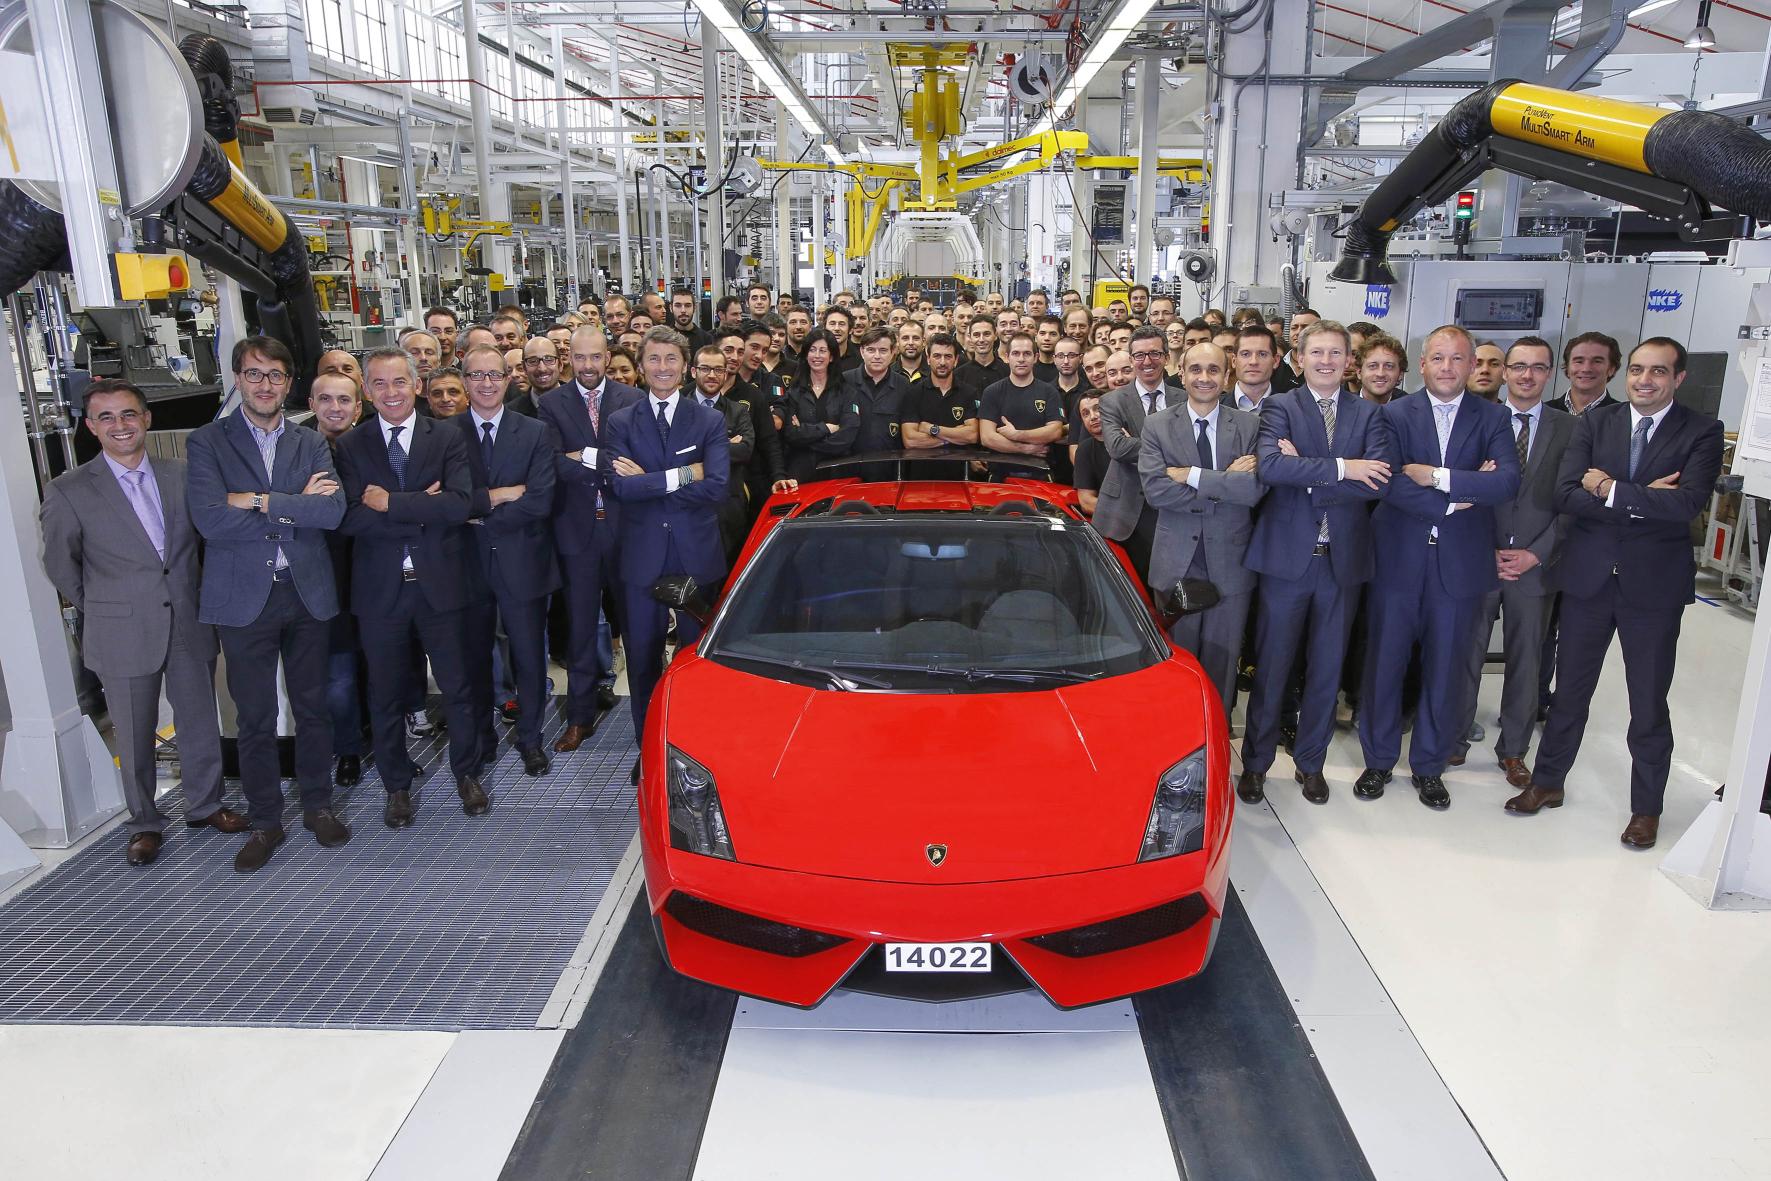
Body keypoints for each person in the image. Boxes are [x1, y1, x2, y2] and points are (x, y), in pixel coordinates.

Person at [1512, 337, 1724, 849]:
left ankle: (1646, 810)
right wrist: (1648, 497)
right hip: (1588, 580)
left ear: (1677, 378)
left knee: (1647, 702)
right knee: (1569, 693)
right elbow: (1565, 494)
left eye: (1657, 372)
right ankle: (1547, 782)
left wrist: (1607, 488)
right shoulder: (1595, 423)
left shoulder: (1702, 431)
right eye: (1637, 371)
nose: (1644, 381)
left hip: (1652, 589)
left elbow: (1687, 504)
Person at [39, 379, 242, 866]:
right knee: (133, 732)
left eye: (128, 414)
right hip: (120, 628)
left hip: (187, 619)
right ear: (90, 427)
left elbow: (204, 541)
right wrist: (107, 604)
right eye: (106, 418)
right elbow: (60, 565)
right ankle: (146, 822)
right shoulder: (68, 491)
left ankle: (206, 804)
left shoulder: (182, 475)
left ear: (146, 418)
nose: (119, 425)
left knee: (198, 720)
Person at [185, 336, 349, 872]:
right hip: (242, 598)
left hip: (306, 591)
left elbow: (331, 514)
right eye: (254, 375)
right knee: (254, 717)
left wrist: (255, 500)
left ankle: (318, 806)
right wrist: (296, 503)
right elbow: (210, 518)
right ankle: (265, 819)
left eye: (275, 375)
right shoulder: (208, 442)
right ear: (237, 379)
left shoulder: (309, 442)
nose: (265, 384)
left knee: (313, 709)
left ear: (288, 382)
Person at [1357, 325, 1520, 811]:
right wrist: (1458, 498)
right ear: (1422, 365)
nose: (1447, 368)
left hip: (1460, 565)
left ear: (1473, 366)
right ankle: (1379, 759)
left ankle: (1429, 766)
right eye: (1438, 358)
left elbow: (1507, 482)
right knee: (1385, 664)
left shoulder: (1493, 418)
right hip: (1398, 559)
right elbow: (1387, 481)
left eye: (1457, 359)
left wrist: (1440, 477)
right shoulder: (1391, 415)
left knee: (1446, 668)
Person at [1240, 320, 1392, 806]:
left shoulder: (1368, 415)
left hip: (1341, 564)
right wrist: (1345, 468)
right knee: (1273, 668)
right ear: (1298, 359)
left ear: (1349, 360)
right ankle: (1257, 764)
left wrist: (1304, 469)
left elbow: (1381, 482)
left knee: (1327, 669)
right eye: (1317, 352)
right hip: (1287, 562)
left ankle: (1311, 763)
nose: (1327, 361)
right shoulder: (1279, 408)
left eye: (1336, 353)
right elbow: (1272, 467)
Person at [334, 346, 487, 828]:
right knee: (384, 695)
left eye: (399, 382)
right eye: (378, 384)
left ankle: (467, 773)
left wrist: (391, 504)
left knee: (459, 687)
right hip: (381, 592)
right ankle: (396, 786)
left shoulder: (447, 437)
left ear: (416, 385)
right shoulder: (351, 446)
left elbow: (460, 505)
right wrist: (421, 504)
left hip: (441, 585)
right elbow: (350, 517)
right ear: (366, 391)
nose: (390, 392)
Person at [604, 327, 731, 774]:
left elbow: (716, 486)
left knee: (695, 662)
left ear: (686, 366)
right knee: (642, 658)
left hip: (695, 554)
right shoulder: (620, 421)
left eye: (671, 359)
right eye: (653, 359)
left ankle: (694, 748)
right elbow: (619, 487)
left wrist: (649, 480)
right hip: (641, 555)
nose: (662, 368)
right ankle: (650, 751)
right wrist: (682, 474)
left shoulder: (708, 421)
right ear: (641, 367)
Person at [1449, 336, 1573, 782]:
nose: (1527, 375)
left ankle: (1515, 749)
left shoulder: (1571, 429)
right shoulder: (1477, 420)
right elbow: (1458, 484)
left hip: (1534, 566)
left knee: (1528, 658)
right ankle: (1455, 738)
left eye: (1538, 367)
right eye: (1518, 366)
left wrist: (1535, 554)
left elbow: (1572, 504)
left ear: (1550, 373)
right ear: (1504, 372)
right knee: (1466, 652)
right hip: (1478, 557)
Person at [1139, 342, 1265, 713]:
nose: (1204, 378)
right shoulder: (1157, 425)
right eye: (1196, 369)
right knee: (1177, 657)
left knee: (1223, 659)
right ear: (1182, 374)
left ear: (1227, 376)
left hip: (1231, 559)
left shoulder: (1250, 426)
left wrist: (1192, 477)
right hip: (1176, 560)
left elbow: (1255, 490)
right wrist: (1225, 481)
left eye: (1213, 370)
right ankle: (1178, 730)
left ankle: (1217, 735)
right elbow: (1157, 491)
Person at [457, 343, 560, 778]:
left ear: (507, 379)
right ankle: (482, 737)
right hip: (466, 564)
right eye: (476, 375)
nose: (485, 383)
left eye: (494, 375)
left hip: (523, 560)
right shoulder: (444, 433)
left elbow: (540, 500)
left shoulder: (533, 431)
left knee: (529, 657)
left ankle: (531, 738)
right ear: (464, 381)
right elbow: (447, 501)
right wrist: (495, 497)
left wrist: (478, 516)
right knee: (474, 656)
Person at [537, 327, 643, 750]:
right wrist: (607, 463)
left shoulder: (632, 400)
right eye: (578, 358)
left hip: (627, 532)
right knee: (580, 630)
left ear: (607, 356)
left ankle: (649, 716)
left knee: (639, 629)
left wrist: (582, 455)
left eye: (595, 357)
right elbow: (551, 464)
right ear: (569, 360)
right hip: (577, 532)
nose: (587, 366)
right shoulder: (551, 404)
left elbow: (636, 460)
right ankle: (579, 718)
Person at [309, 371, 368, 788]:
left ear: (358, 407)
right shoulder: (297, 451)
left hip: (371, 572)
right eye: (326, 399)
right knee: (339, 676)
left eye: (344, 400)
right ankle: (347, 750)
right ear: (312, 404)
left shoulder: (369, 445)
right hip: (324, 580)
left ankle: (383, 740)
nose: (335, 408)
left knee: (381, 668)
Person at [1093, 326, 1181, 581]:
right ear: (1131, 360)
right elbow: (1118, 448)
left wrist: (1138, 442)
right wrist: (1169, 447)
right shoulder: (1113, 400)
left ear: (1166, 357)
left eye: (1154, 353)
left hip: (1170, 508)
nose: (1147, 361)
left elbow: (1191, 449)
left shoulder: (1184, 399)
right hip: (1124, 512)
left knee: (1166, 588)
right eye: (1140, 355)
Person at [689, 343, 756, 559]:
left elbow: (745, 450)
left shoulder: (738, 411)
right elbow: (674, 452)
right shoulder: (680, 407)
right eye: (705, 368)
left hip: (728, 506)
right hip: (690, 502)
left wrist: (698, 447)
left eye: (718, 370)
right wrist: (724, 444)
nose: (712, 375)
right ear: (693, 371)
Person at [978, 332, 1065, 481]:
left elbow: (1055, 431)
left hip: (1041, 475)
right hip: (1001, 476)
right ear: (1006, 357)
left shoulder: (1049, 391)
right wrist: (1026, 449)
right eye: (1016, 353)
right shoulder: (992, 392)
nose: (1021, 359)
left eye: (1027, 354)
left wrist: (1017, 435)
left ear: (1035, 357)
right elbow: (987, 437)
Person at [778, 328, 857, 482]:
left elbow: (847, 436)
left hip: (838, 472)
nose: (817, 356)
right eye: (812, 350)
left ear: (832, 356)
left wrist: (805, 439)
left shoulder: (847, 391)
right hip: (800, 472)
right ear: (806, 354)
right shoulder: (794, 391)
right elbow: (790, 434)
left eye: (823, 350)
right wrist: (826, 428)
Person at [1548, 331, 1622, 416]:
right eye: (1579, 361)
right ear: (1567, 368)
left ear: (1611, 369)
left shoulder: (1624, 417)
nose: (1586, 369)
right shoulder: (1543, 412)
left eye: (1597, 361)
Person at [1070, 391, 1109, 516]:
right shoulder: (1084, 450)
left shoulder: (1132, 438)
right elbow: (1086, 502)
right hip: (1113, 523)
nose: (1093, 416)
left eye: (1098, 409)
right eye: (1085, 414)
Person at [1228, 324, 1281, 413]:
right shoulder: (1214, 406)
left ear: (1275, 361)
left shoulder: (1293, 409)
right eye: (1245, 354)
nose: (1253, 362)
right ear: (1234, 361)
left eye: (1262, 354)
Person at [1271, 308, 1319, 393]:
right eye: (1294, 328)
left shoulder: (1325, 368)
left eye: (1305, 328)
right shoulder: (1274, 365)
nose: (1298, 332)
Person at [1356, 334, 1406, 404]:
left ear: (1400, 374)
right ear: (1359, 372)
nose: (1380, 374)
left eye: (1389, 366)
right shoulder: (1341, 406)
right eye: (1373, 366)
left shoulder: (1412, 409)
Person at [960, 318, 1008, 388]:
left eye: (986, 334)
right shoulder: (959, 375)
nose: (981, 339)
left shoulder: (1008, 372)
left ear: (995, 335)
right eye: (976, 335)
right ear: (970, 337)